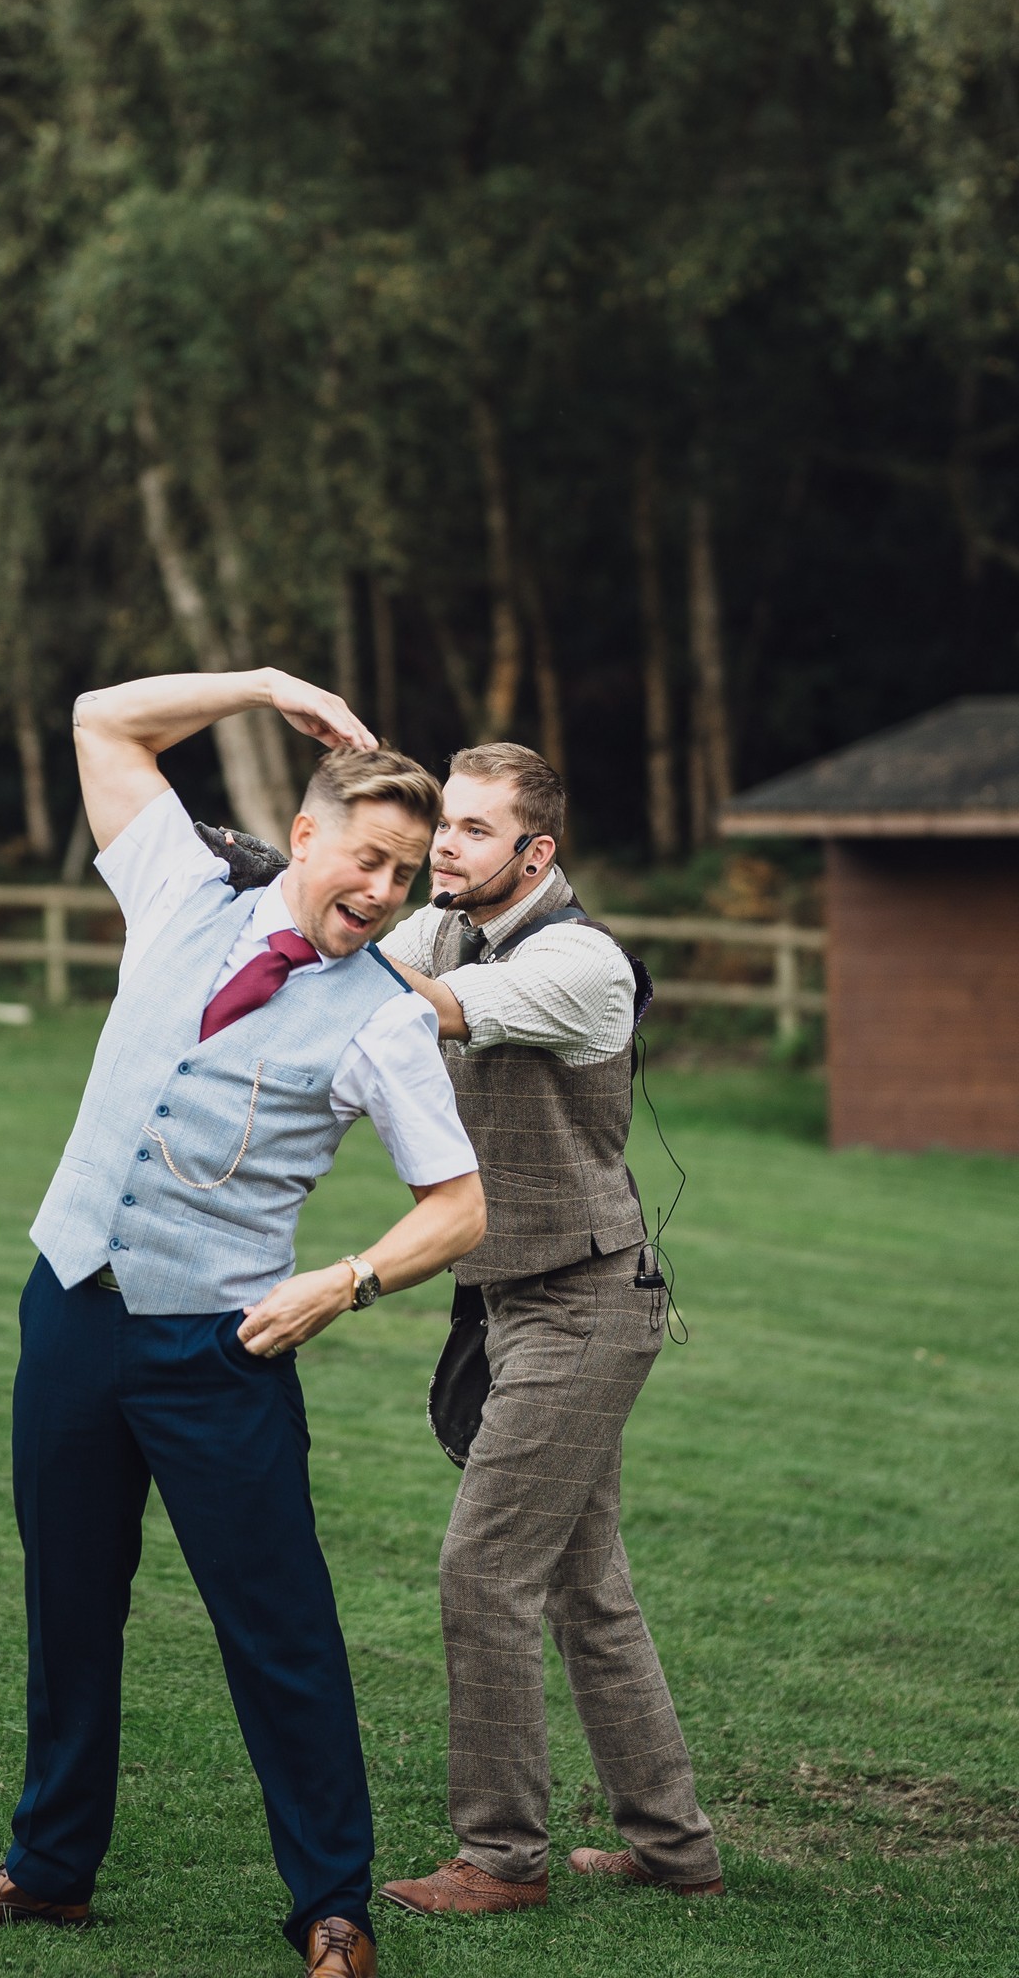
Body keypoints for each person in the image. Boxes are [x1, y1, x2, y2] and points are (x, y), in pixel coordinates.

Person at [0, 668, 486, 1978]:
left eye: (407, 878)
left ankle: (333, 1908)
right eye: (368, 862)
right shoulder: (178, 892)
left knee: (280, 1630)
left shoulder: (384, 1016)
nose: (383, 892)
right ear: (310, 834)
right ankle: (48, 1875)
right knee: (69, 1602)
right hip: (70, 1314)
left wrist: (342, 1284)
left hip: (221, 1352)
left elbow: (459, 1206)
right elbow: (101, 715)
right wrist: (265, 687)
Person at [374, 742, 725, 1915]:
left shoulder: (577, 962)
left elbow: (419, 1009)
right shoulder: (444, 924)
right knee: (590, 1589)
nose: (442, 847)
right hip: (511, 1298)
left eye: (472, 831)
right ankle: (676, 1848)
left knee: (483, 1571)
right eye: (442, 824)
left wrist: (322, 916)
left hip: (584, 1304)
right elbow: (373, 964)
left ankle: (500, 1860)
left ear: (538, 853)